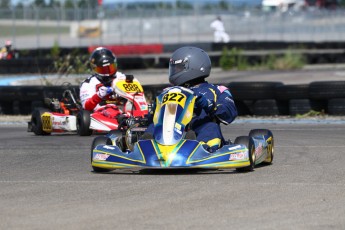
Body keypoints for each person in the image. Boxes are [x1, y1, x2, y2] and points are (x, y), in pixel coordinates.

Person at [144, 46, 238, 152]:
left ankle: (201, 149)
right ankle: (146, 148)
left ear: (195, 67)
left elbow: (229, 114)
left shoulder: (217, 90)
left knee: (210, 127)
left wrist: (209, 105)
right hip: (171, 129)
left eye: (178, 68)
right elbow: (154, 116)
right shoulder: (169, 91)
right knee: (153, 127)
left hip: (199, 128)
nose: (175, 71)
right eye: (174, 68)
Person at [79, 47, 128, 116]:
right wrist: (99, 95)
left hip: (123, 108)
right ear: (95, 68)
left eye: (110, 67)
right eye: (103, 70)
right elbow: (86, 106)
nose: (108, 72)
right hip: (102, 112)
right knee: (111, 111)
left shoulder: (121, 77)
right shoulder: (88, 83)